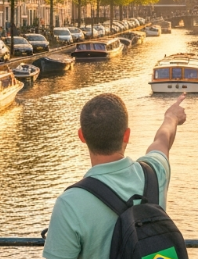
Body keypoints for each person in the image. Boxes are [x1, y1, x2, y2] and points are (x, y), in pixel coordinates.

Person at [42, 93, 187, 259]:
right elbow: (163, 140)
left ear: (82, 136)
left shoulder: (70, 203)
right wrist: (172, 117)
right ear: (127, 135)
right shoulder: (154, 173)